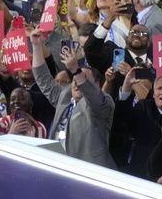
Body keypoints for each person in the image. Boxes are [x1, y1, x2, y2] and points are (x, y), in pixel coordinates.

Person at [31, 27, 116, 168]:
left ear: (97, 84)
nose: (77, 84)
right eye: (74, 81)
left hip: (90, 173)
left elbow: (92, 95)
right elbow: (43, 79)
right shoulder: (65, 97)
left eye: (82, 80)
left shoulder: (103, 103)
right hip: (58, 168)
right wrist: (36, 46)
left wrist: (76, 70)